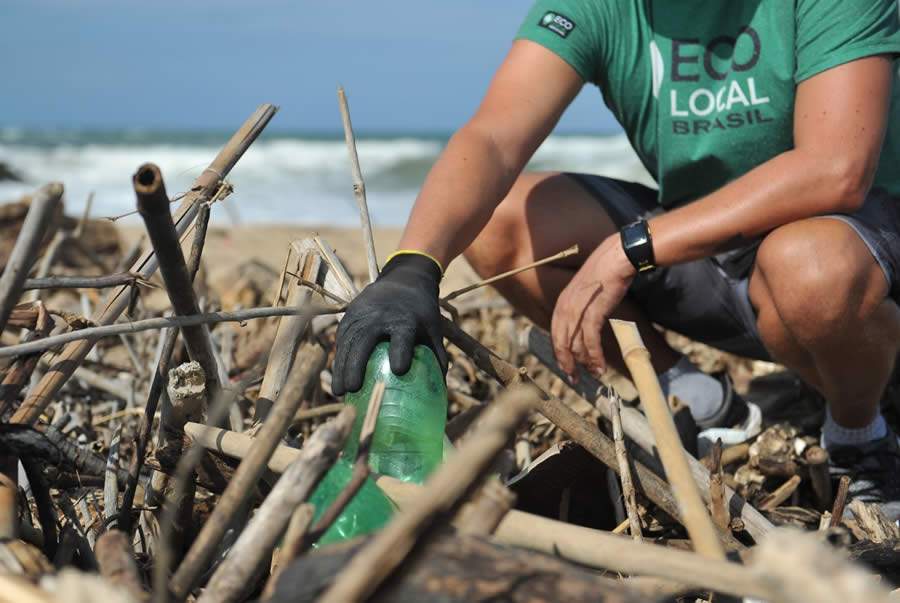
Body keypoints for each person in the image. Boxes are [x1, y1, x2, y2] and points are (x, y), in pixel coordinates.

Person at [333, 0, 900, 516]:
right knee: (505, 221)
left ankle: (861, 437)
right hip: (708, 250)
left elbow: (835, 170)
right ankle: (704, 405)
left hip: (851, 252)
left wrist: (635, 247)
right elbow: (493, 139)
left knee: (809, 268)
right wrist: (414, 264)